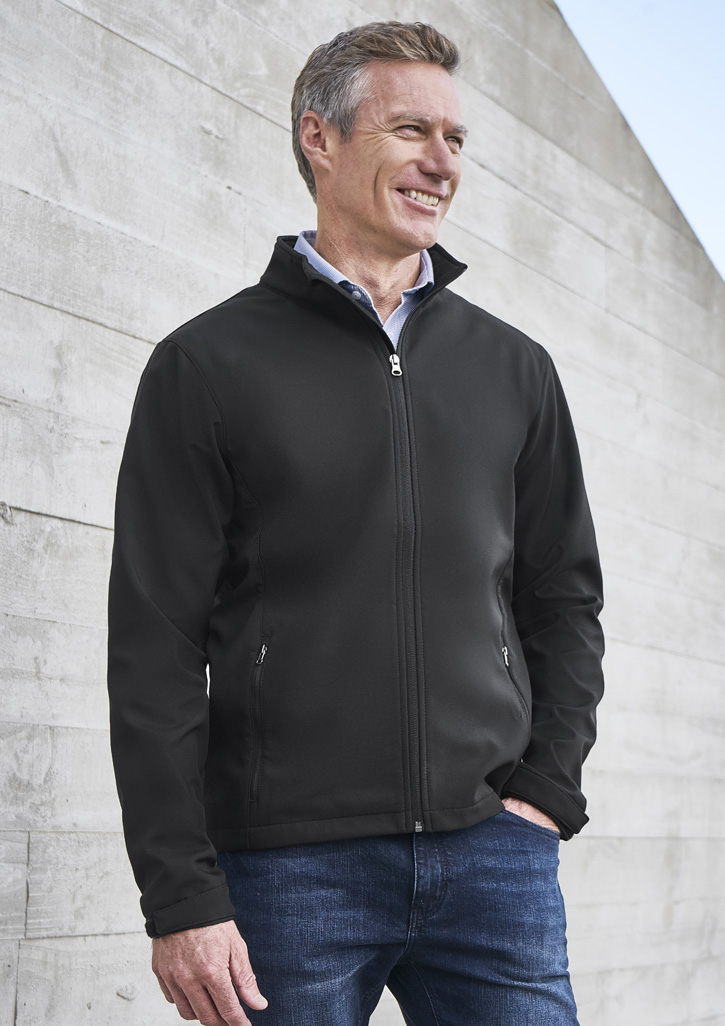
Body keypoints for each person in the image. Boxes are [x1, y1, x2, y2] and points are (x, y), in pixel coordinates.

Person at [108, 20, 604, 1026]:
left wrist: (544, 792)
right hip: (287, 872)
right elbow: (153, 646)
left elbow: (562, 599)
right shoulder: (207, 365)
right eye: (409, 129)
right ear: (318, 138)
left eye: (454, 139)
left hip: (492, 855)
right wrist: (181, 894)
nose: (441, 162)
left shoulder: (514, 369)